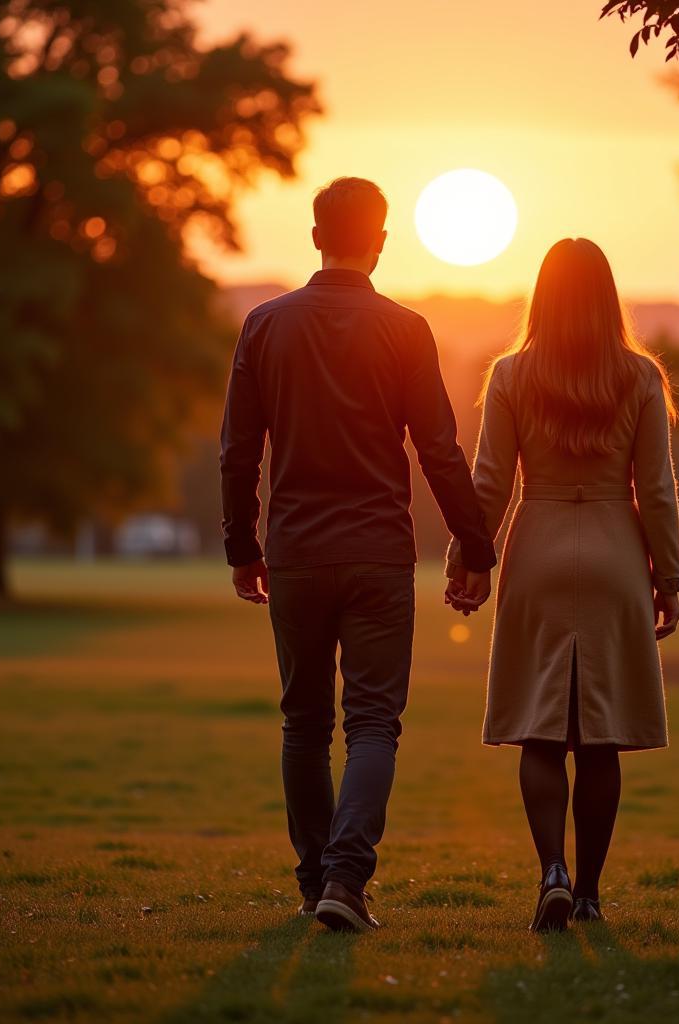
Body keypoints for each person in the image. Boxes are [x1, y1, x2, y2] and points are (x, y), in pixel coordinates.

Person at [220, 177, 496, 933]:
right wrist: (478, 548)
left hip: (298, 552)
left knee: (303, 724)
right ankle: (346, 880)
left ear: (315, 236)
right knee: (373, 723)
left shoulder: (264, 325)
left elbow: (239, 452)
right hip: (378, 552)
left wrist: (242, 546)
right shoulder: (405, 330)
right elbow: (439, 451)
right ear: (379, 241)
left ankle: (317, 885)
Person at [445, 238, 679, 931]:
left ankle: (549, 868)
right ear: (609, 297)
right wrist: (667, 576)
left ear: (540, 297)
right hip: (614, 552)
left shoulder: (512, 374)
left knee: (540, 732)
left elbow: (488, 483)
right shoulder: (639, 378)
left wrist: (470, 563)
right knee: (601, 736)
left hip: (539, 547)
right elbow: (658, 490)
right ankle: (588, 892)